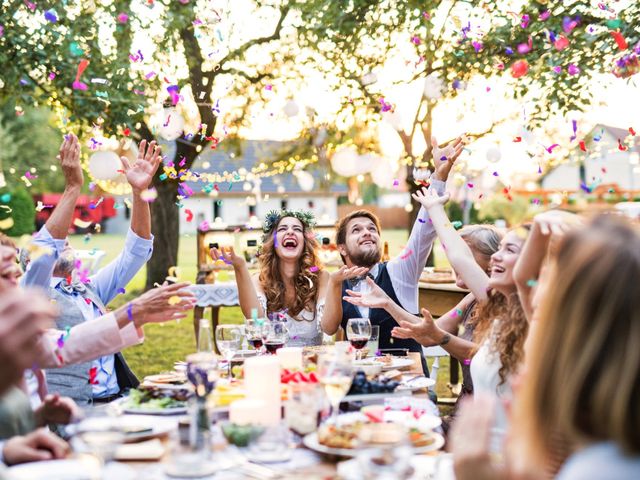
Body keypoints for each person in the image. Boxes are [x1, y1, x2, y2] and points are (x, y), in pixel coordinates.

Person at [452, 214, 640, 480]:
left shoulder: (600, 467)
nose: (530, 296)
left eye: (547, 282)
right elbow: (523, 278)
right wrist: (540, 231)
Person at [21, 133, 164, 405]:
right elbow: (45, 250)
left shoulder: (89, 289)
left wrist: (138, 192)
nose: (64, 244)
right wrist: (73, 187)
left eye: (66, 243)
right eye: (56, 244)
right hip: (73, 411)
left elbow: (136, 252)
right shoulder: (32, 296)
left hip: (121, 400)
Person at [322, 136, 465, 374]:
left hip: (408, 381)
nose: (367, 233)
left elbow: (423, 230)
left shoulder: (400, 272)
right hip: (361, 380)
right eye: (356, 230)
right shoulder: (338, 283)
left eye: (371, 229)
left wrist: (439, 177)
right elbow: (328, 329)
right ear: (342, 248)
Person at [408, 186, 529, 450]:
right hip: (478, 442)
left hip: (508, 453)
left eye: (509, 250)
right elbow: (460, 256)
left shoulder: (531, 314)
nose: (496, 255)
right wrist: (435, 207)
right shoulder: (497, 302)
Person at [345, 225, 502, 412]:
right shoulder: (471, 299)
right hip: (468, 406)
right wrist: (387, 302)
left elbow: (485, 357)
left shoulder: (506, 300)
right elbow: (426, 334)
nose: (454, 260)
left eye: (463, 254)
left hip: (493, 410)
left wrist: (440, 336)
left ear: (493, 259)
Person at [211, 210, 329, 347]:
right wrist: (240, 267)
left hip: (310, 366)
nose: (290, 232)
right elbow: (255, 320)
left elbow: (330, 328)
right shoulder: (259, 280)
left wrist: (337, 283)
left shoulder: (320, 277)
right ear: (273, 242)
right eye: (282, 229)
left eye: (297, 229)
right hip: (271, 364)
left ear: (305, 242)